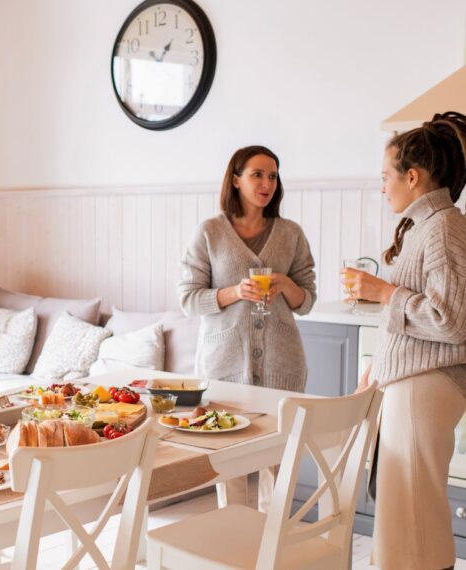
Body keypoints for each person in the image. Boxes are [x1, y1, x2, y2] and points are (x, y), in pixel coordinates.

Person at [345, 111, 466, 570]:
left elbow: (450, 321)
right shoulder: (429, 226)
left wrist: (384, 292)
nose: (382, 187)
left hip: (427, 386)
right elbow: (419, 319)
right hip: (414, 382)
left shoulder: (444, 227)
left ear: (412, 177)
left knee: (413, 517)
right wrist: (379, 370)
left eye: (385, 177)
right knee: (404, 516)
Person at [178, 145, 317, 511]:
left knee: (277, 459)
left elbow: (308, 299)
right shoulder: (209, 232)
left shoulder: (290, 234)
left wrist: (287, 286)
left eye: (273, 176)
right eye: (257, 174)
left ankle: (273, 549)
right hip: (224, 365)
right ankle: (235, 545)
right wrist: (233, 293)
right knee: (230, 459)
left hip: (281, 366)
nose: (266, 183)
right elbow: (189, 299)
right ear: (236, 179)